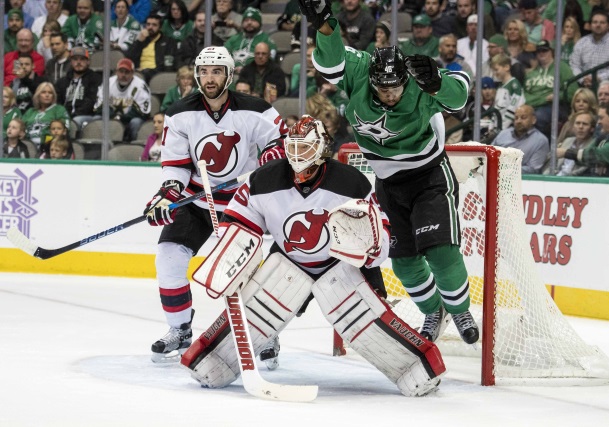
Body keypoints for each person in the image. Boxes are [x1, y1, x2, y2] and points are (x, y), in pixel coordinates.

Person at [181, 114, 445, 396]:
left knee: (366, 325)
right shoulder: (263, 179)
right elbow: (240, 224)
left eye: (304, 148)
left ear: (321, 150)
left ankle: (418, 366)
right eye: (292, 148)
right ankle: (212, 358)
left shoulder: (351, 183)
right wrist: (231, 257)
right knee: (257, 313)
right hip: (289, 260)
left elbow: (380, 239)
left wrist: (369, 248)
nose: (297, 156)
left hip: (341, 265)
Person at [298, 0, 480, 345]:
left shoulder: (419, 81)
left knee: (441, 251)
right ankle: (433, 311)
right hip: (387, 184)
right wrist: (324, 24)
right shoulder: (361, 69)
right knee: (404, 264)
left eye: (395, 88)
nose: (390, 94)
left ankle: (460, 311)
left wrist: (439, 81)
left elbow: (460, 94)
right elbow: (330, 63)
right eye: (383, 89)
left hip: (428, 177)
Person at [142, 46, 288, 363]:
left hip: (242, 204)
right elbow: (176, 164)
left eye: (216, 71)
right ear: (197, 74)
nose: (210, 78)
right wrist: (168, 191)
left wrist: (273, 155)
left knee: (246, 273)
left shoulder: (256, 109)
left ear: (229, 75)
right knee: (168, 258)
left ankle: (266, 335)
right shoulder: (180, 113)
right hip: (196, 201)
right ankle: (179, 329)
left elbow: (280, 142)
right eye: (204, 71)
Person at [557, 99, 609, 178]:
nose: (598, 122)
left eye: (601, 118)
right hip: (599, 186)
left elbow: (597, 155)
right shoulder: (603, 137)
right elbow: (588, 157)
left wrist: (566, 152)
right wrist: (597, 162)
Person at [524, 40, 578, 137]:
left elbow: (572, 91)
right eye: (539, 51)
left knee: (538, 117)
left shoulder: (562, 67)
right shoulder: (531, 73)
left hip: (556, 106)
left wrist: (558, 96)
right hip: (534, 106)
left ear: (551, 52)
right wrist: (544, 98)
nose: (541, 53)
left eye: (545, 51)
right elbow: (525, 97)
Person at [94, 58, 152, 142]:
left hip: (129, 121)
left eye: (127, 72)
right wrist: (114, 116)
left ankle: (133, 146)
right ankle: (98, 146)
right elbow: (98, 107)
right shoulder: (108, 83)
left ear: (132, 73)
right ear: (116, 72)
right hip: (110, 118)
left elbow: (143, 113)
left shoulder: (140, 86)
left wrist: (121, 117)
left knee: (136, 122)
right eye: (121, 71)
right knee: (96, 119)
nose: (123, 75)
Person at [570, 10, 609, 88]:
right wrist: (582, 79)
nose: (598, 25)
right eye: (595, 22)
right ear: (590, 25)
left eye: (602, 22)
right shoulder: (581, 43)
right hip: (584, 87)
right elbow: (574, 65)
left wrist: (599, 78)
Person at [492, 104, 550, 174]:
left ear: (533, 120)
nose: (518, 121)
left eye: (523, 117)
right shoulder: (503, 134)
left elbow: (533, 169)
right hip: (493, 175)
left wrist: (505, 169)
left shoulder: (541, 141)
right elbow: (489, 154)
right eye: (516, 118)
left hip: (521, 181)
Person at [55, 46, 102, 129]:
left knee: (76, 121)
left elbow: (91, 101)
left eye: (82, 59)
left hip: (86, 116)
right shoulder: (62, 82)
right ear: (71, 62)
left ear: (88, 62)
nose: (79, 62)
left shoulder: (95, 79)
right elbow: (58, 102)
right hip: (66, 116)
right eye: (75, 59)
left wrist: (73, 115)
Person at [127, 14, 180, 82]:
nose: (150, 27)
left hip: (157, 74)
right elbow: (128, 58)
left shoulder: (168, 42)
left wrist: (147, 71)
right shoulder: (141, 39)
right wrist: (139, 42)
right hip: (138, 72)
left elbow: (168, 65)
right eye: (148, 24)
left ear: (160, 27)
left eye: (154, 25)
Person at [224, 7, 277, 73]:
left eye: (253, 20)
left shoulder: (267, 40)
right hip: (232, 75)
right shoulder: (233, 39)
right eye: (246, 20)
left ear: (260, 23)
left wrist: (247, 70)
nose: (249, 23)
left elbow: (270, 61)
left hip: (256, 75)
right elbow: (223, 56)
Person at [546, 111, 596, 176]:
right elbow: (552, 163)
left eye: (585, 124)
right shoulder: (567, 140)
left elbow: (582, 170)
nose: (580, 127)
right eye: (578, 123)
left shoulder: (594, 144)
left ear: (592, 129)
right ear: (573, 127)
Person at [22, 81, 70, 147]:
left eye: (50, 93)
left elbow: (65, 128)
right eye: (43, 92)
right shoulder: (30, 111)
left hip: (50, 145)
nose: (47, 95)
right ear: (38, 95)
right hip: (28, 145)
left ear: (53, 96)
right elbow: (20, 127)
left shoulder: (59, 109)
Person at [491, 53, 525, 130]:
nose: (494, 73)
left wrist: (502, 128)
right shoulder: (500, 86)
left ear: (506, 67)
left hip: (507, 128)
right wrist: (491, 126)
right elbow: (497, 108)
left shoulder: (514, 85)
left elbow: (513, 109)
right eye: (493, 71)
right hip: (497, 126)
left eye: (496, 69)